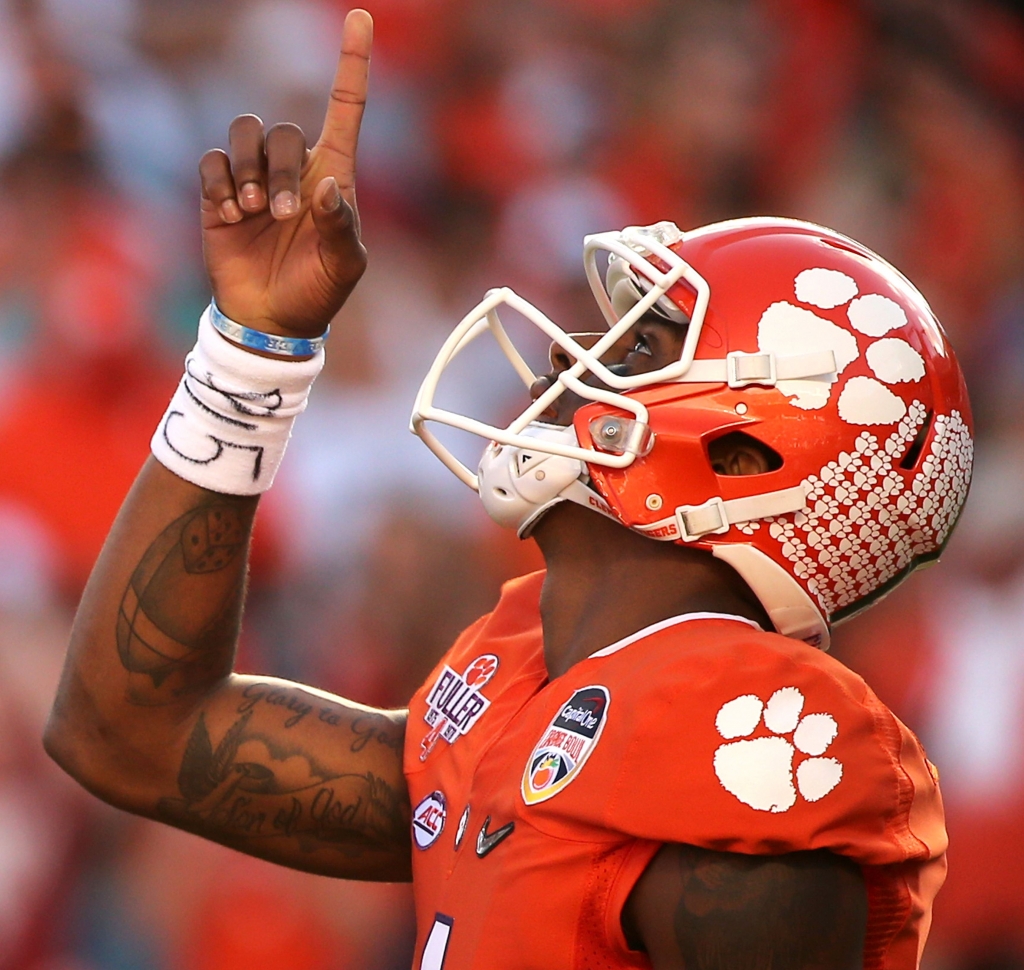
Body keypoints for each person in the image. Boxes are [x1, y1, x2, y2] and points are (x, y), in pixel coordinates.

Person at [44, 10, 973, 970]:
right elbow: (128, 734)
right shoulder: (529, 676)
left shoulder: (753, 766)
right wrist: (249, 355)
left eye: (642, 345)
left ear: (745, 458)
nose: (569, 361)